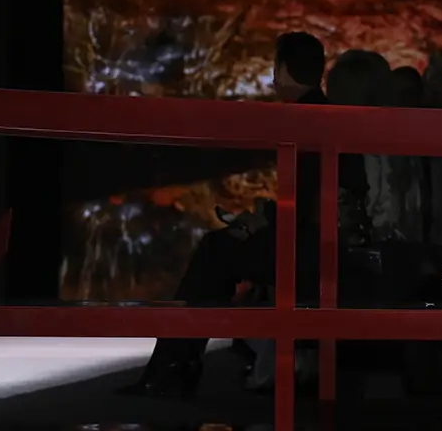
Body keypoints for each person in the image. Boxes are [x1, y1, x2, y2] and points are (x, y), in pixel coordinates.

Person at [118, 32, 329, 398]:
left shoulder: (306, 118)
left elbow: (308, 205)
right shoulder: (324, 112)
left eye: (274, 67)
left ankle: (175, 366)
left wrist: (262, 222)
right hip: (318, 238)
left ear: (282, 69)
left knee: (215, 251)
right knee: (221, 247)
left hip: (312, 245)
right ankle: (178, 364)